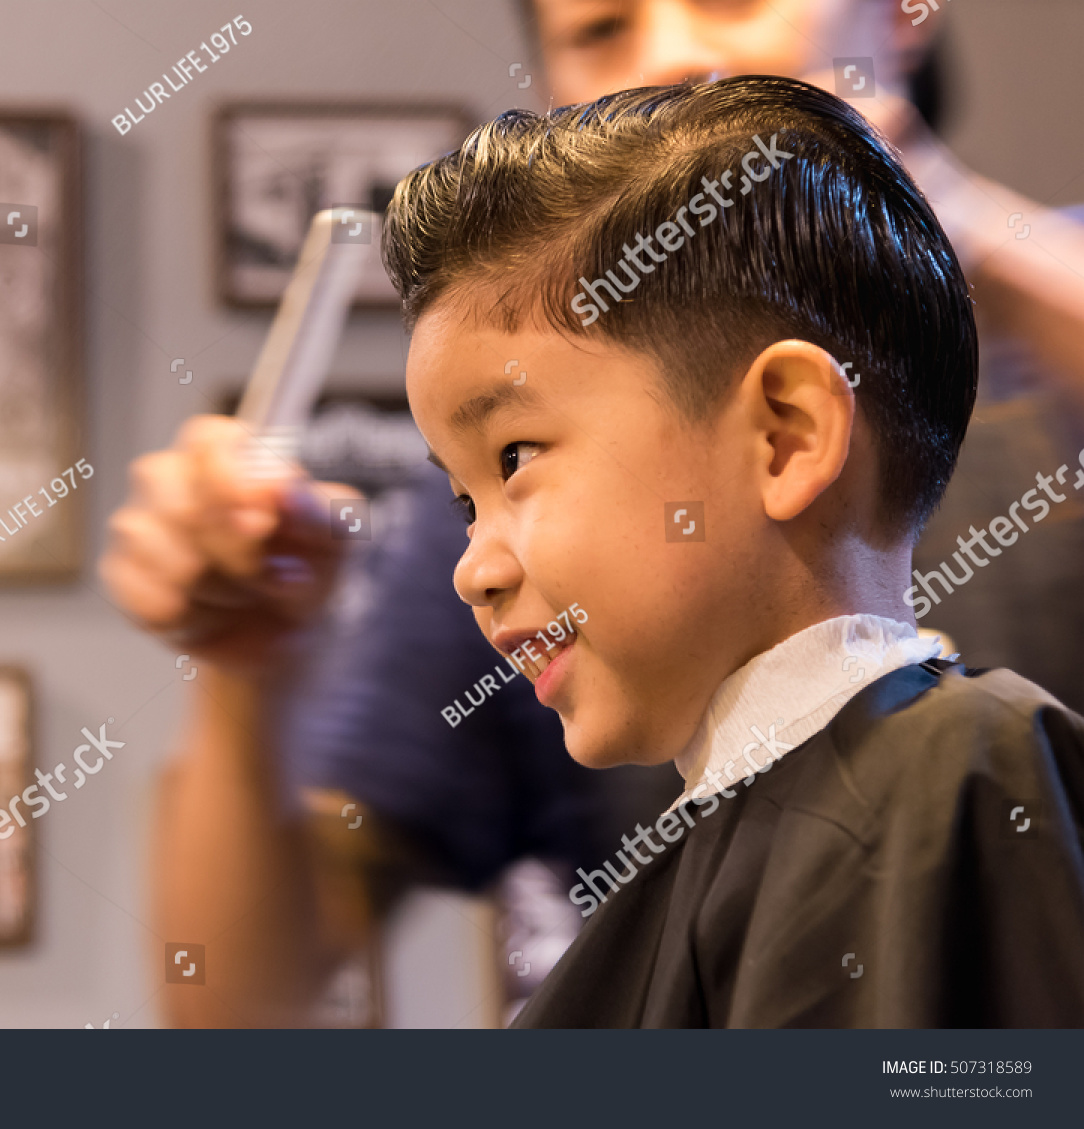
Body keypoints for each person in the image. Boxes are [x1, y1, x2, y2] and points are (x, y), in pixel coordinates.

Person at [101, 0, 1084, 1027]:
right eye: (603, 29)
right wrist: (244, 663)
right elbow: (230, 1010)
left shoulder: (959, 767)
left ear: (788, 432)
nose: (672, 56)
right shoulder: (532, 550)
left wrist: (948, 230)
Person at [380, 75, 1084, 1026]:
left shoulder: (952, 774)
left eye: (516, 457)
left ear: (784, 435)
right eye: (466, 501)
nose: (475, 567)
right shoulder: (682, 874)